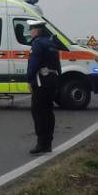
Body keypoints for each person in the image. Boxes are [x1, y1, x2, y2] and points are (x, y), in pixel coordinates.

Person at [27, 20, 60, 154]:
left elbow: (33, 64)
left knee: (38, 111)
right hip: (52, 79)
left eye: (31, 29)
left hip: (41, 81)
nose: (30, 32)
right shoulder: (51, 43)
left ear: (36, 31)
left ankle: (41, 143)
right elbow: (57, 64)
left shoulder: (37, 44)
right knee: (48, 111)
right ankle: (48, 143)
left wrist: (29, 79)